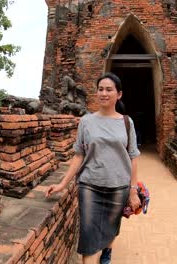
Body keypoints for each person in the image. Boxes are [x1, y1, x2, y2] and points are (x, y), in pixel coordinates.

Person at [46, 72, 141, 264]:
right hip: (90, 185)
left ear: (119, 94)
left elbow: (133, 157)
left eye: (109, 89)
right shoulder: (86, 121)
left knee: (111, 227)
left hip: (118, 186)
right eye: (100, 89)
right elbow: (79, 155)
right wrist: (63, 184)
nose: (104, 93)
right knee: (89, 237)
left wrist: (133, 190)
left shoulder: (126, 122)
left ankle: (107, 251)